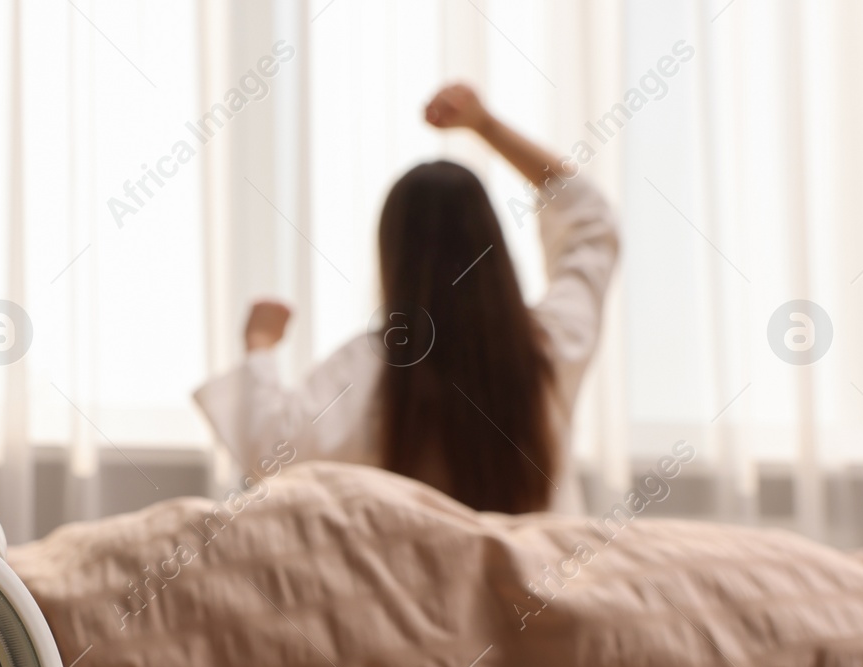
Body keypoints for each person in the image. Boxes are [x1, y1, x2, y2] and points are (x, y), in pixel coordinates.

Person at [193, 83, 619, 514]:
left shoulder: (369, 369)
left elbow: (269, 447)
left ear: (393, 257)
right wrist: (485, 126)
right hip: (546, 580)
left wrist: (260, 343)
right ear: (493, 247)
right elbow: (591, 223)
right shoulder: (551, 344)